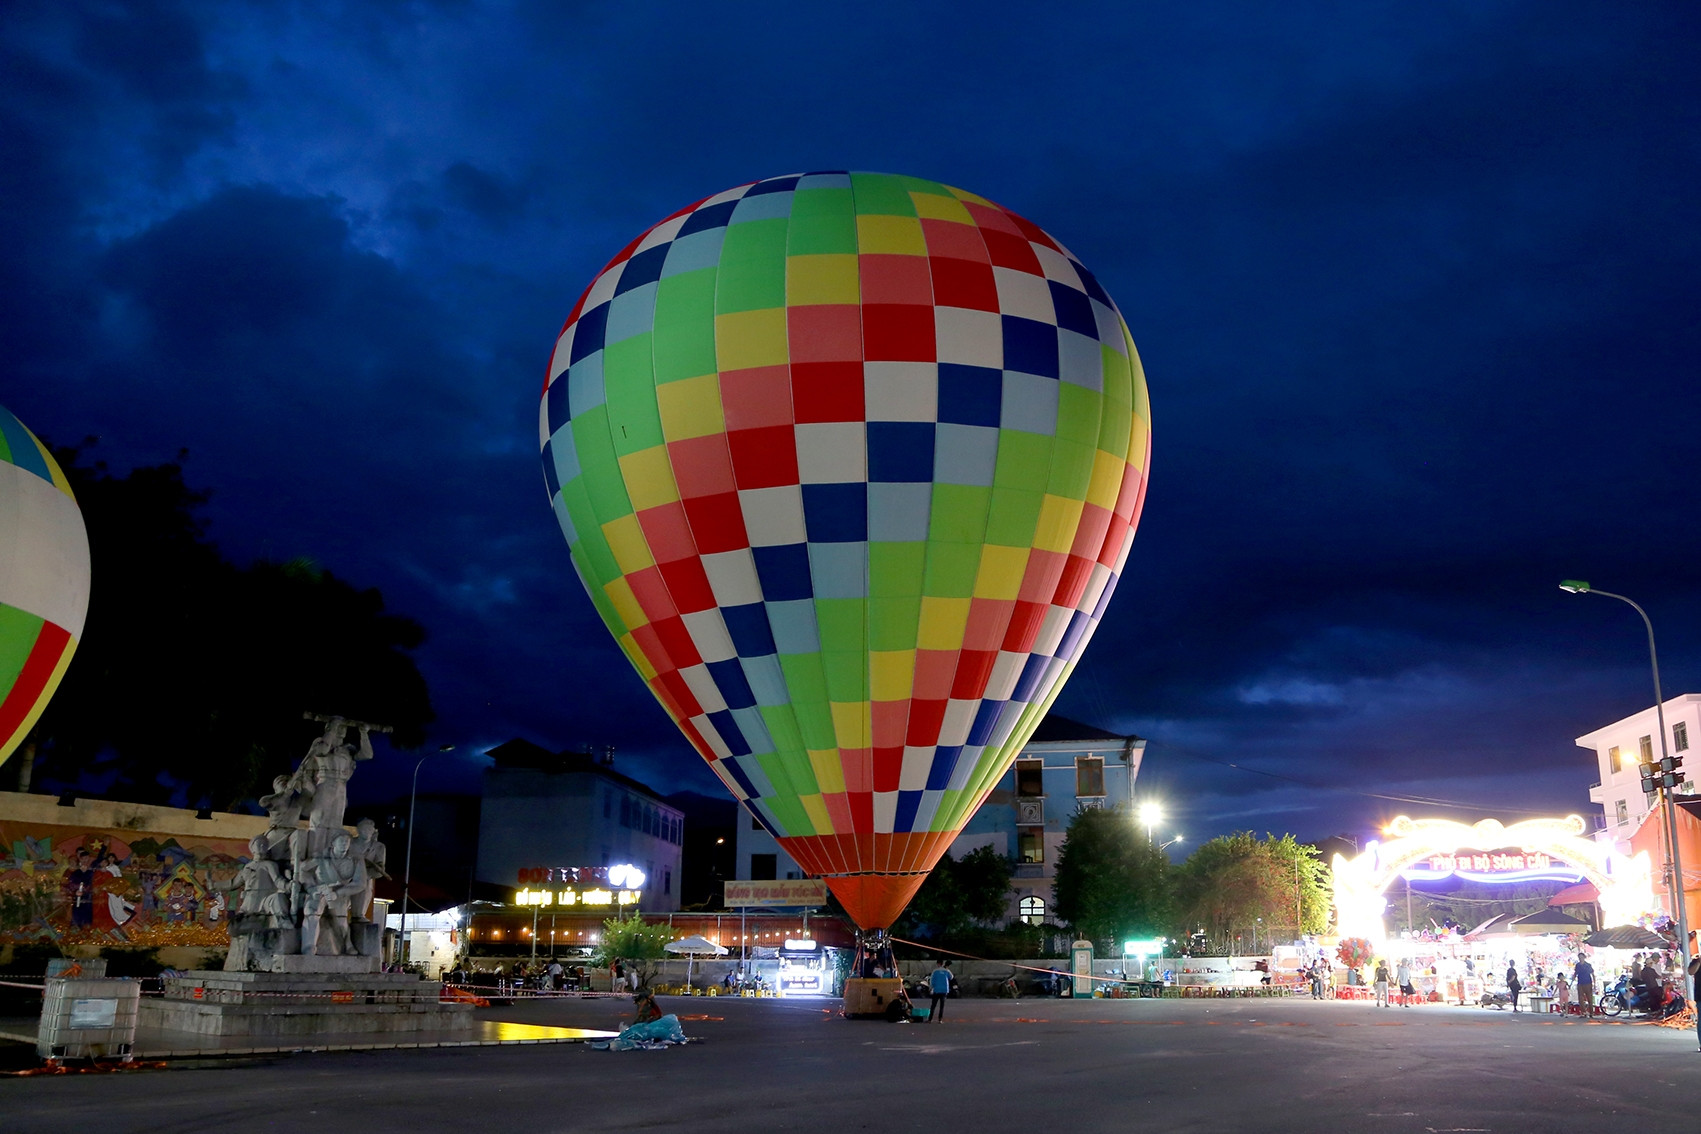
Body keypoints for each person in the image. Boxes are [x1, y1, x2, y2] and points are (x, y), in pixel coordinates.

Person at [1574, 953, 1595, 1018]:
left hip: (1588, 982)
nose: (1580, 958)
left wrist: (1594, 983)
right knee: (1580, 998)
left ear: (1584, 957)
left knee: (1589, 998)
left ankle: (1591, 1012)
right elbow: (1575, 973)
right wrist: (1573, 979)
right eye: (1579, 957)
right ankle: (1583, 1012)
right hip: (1580, 982)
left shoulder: (1588, 965)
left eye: (1581, 957)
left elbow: (1592, 974)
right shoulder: (1577, 965)